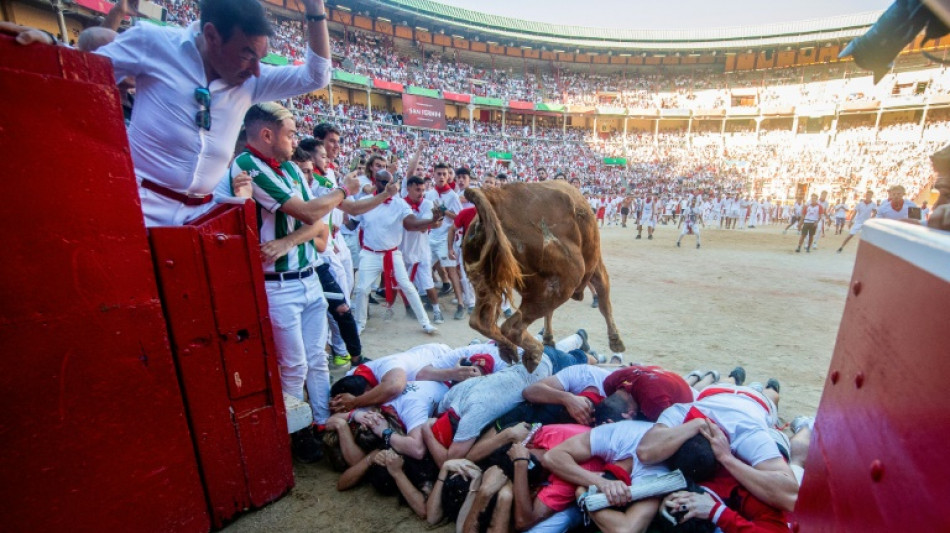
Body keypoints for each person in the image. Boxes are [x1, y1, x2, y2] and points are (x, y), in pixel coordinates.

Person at [93, 0, 337, 226]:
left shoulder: (250, 81)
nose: (257, 70)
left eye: (260, 59)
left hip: (204, 218)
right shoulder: (153, 43)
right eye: (247, 56)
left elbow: (316, 76)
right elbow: (81, 79)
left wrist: (315, 8)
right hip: (138, 208)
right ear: (211, 36)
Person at [227, 102, 335, 462]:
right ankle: (296, 433)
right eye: (289, 133)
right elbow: (309, 213)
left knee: (317, 358)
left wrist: (288, 241)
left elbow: (315, 222)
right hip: (279, 283)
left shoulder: (288, 166)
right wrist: (343, 193)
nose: (294, 141)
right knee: (294, 364)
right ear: (267, 134)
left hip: (306, 277)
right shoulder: (245, 166)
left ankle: (320, 422)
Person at [346, 170, 443, 336]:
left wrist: (431, 221)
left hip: (392, 253)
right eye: (382, 182)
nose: (386, 186)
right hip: (370, 253)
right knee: (362, 289)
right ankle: (359, 323)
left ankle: (425, 323)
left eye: (389, 182)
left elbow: (411, 224)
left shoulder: (399, 204)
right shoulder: (364, 201)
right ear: (375, 181)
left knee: (408, 287)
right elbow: (351, 224)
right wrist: (339, 209)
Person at [543, 419, 670, 533]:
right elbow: (552, 457)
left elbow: (627, 530)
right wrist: (601, 482)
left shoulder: (657, 473)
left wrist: (583, 496)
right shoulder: (622, 434)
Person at [401, 176, 446, 324]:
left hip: (422, 251)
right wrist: (432, 222)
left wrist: (432, 223)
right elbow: (413, 225)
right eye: (417, 189)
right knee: (404, 284)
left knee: (428, 284)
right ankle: (410, 308)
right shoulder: (401, 204)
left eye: (423, 189)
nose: (421, 193)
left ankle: (437, 310)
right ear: (408, 189)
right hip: (403, 251)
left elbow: (422, 228)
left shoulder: (427, 204)